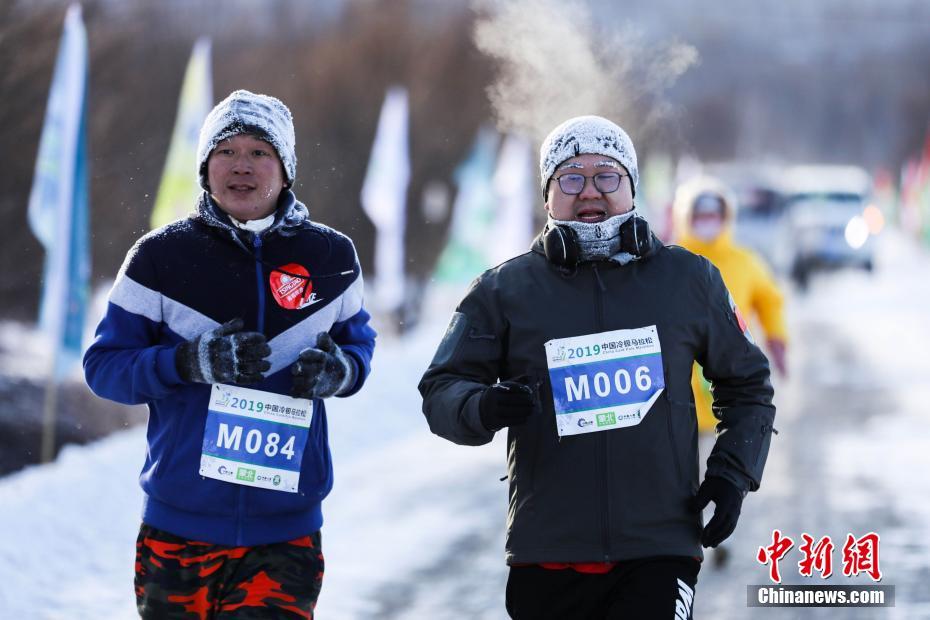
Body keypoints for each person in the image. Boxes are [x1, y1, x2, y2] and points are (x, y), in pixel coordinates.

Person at [418, 116, 776, 619]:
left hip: (659, 549)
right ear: (547, 196)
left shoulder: (688, 280)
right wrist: (481, 406)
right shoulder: (504, 290)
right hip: (547, 556)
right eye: (571, 178)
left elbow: (748, 386)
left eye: (607, 176)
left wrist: (732, 473)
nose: (590, 191)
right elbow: (441, 390)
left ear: (631, 188)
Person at [84, 89, 376, 619]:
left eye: (260, 153)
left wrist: (343, 370)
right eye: (226, 151)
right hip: (179, 528)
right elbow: (104, 369)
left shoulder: (331, 256)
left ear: (285, 169)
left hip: (285, 534)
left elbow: (359, 343)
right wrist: (184, 363)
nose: (241, 167)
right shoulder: (159, 257)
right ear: (204, 166)